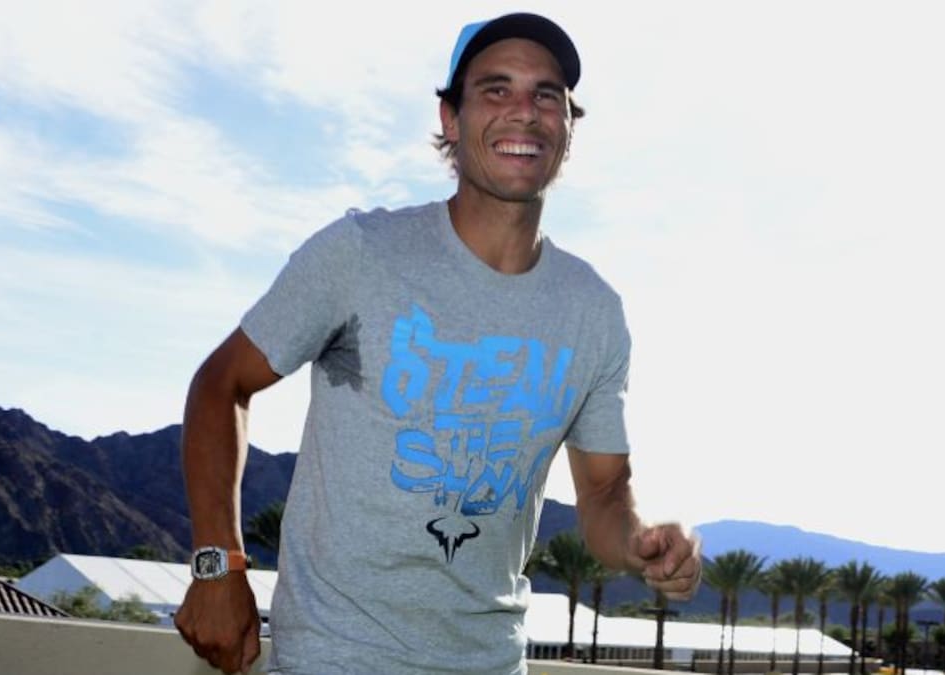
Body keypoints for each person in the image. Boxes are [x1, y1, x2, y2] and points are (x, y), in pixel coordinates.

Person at [175, 12, 701, 675]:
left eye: (547, 95)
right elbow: (221, 384)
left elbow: (603, 495)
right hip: (337, 657)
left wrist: (642, 542)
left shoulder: (593, 312)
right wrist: (219, 565)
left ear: (568, 128)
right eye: (496, 89)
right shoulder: (362, 253)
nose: (525, 110)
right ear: (451, 119)